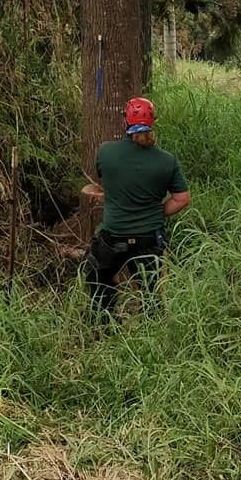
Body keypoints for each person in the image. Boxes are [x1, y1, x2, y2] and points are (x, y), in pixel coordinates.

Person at [86, 96, 190, 318]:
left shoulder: (105, 151)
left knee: (100, 281)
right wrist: (155, 212)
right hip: (148, 239)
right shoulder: (167, 161)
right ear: (153, 122)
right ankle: (152, 334)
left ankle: (104, 327)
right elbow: (182, 198)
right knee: (151, 292)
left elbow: (104, 180)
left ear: (126, 121)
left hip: (113, 237)